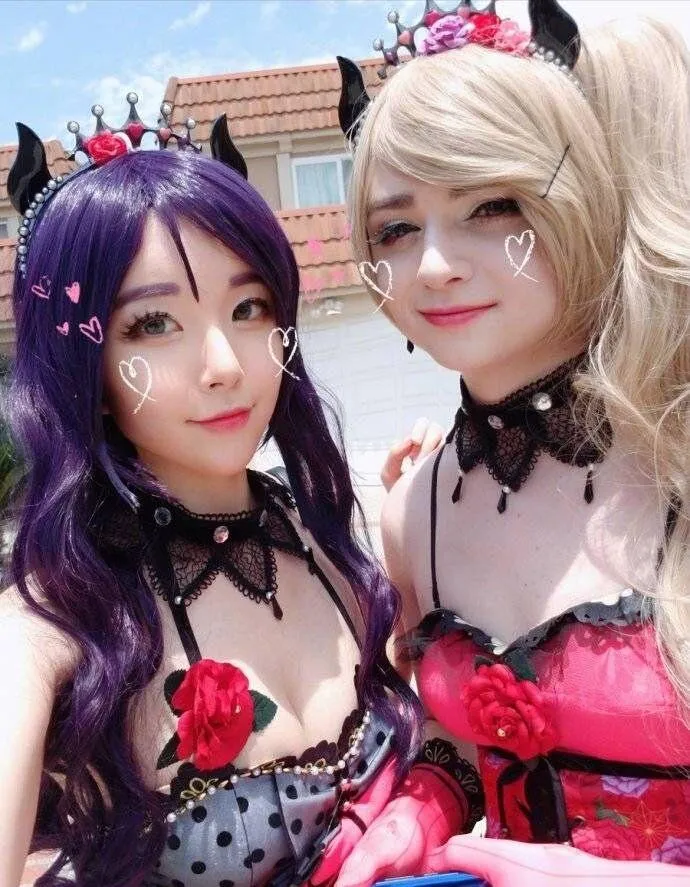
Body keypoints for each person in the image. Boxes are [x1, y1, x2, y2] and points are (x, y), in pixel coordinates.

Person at [0, 102, 430, 887]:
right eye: (154, 324)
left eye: (248, 308)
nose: (225, 364)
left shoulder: (324, 536)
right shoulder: (53, 618)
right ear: (82, 364)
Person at [333, 0, 690, 883]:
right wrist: (425, 802)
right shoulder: (414, 513)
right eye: (396, 227)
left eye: (492, 205)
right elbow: (459, 735)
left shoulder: (678, 457)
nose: (434, 264)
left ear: (584, 201)